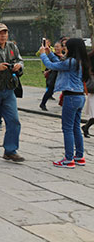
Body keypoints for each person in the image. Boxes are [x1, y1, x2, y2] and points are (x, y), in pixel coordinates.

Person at [40, 38, 90, 168]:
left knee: (67, 128)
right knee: (75, 127)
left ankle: (68, 159)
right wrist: (49, 53)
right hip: (79, 97)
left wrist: (43, 55)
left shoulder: (71, 62)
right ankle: (79, 156)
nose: (64, 49)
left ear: (72, 48)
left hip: (71, 97)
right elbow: (59, 62)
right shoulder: (78, 61)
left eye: (66, 47)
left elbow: (52, 66)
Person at [0, 23, 25, 162]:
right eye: (0, 33)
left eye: (5, 32)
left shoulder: (12, 47)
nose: (3, 35)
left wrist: (19, 66)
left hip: (9, 89)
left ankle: (10, 150)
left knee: (14, 120)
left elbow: (20, 60)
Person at [40, 41, 63, 111]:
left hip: (62, 76)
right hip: (54, 75)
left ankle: (62, 103)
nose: (56, 48)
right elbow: (50, 64)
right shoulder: (53, 55)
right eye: (55, 46)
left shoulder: (65, 56)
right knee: (50, 90)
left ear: (62, 48)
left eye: (58, 46)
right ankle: (43, 103)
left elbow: (59, 63)